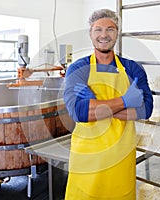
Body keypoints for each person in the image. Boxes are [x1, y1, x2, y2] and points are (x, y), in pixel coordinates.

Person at [63, 8, 153, 200]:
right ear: (90, 33)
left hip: (121, 156)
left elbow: (145, 110)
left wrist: (95, 105)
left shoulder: (132, 68)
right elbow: (79, 113)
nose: (104, 35)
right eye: (98, 29)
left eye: (110, 29)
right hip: (87, 157)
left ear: (117, 33)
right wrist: (125, 102)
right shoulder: (78, 68)